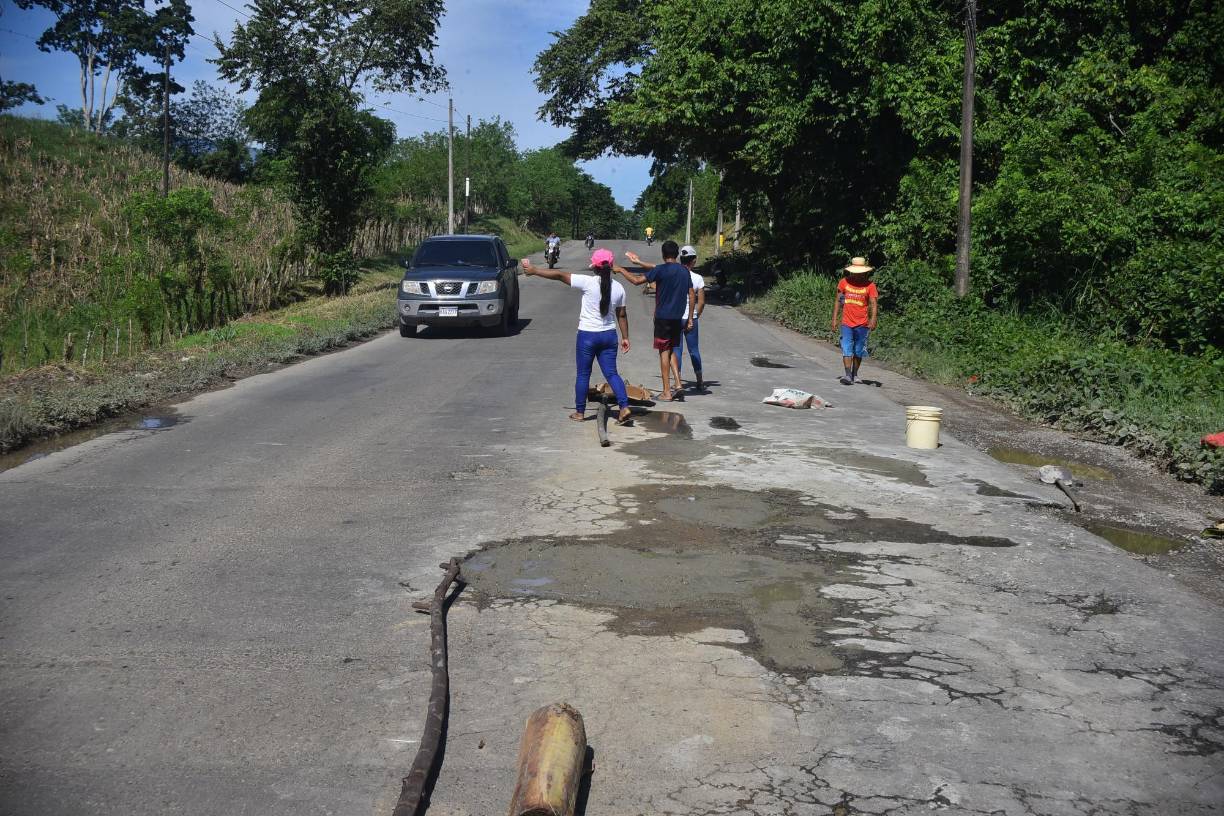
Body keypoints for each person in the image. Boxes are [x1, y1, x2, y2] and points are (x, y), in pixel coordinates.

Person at [521, 249, 633, 424]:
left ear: (595, 268)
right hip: (609, 336)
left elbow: (558, 275)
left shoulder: (587, 282)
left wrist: (535, 271)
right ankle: (624, 407)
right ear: (611, 267)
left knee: (583, 374)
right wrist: (625, 337)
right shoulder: (619, 288)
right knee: (612, 373)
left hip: (587, 336)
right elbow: (622, 315)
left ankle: (580, 412)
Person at [620, 240, 695, 402]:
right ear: (676, 255)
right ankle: (678, 384)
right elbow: (692, 294)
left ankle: (667, 392)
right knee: (673, 348)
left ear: (663, 255)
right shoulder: (684, 271)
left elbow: (636, 281)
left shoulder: (660, 270)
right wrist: (689, 318)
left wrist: (621, 270)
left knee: (663, 352)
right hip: (678, 317)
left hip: (663, 318)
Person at [830, 256, 878, 385]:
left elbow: (873, 303)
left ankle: (854, 374)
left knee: (858, 350)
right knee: (847, 348)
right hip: (846, 322)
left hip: (862, 323)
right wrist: (834, 319)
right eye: (855, 273)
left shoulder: (870, 285)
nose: (858, 276)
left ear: (865, 273)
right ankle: (847, 375)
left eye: (861, 273)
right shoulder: (844, 283)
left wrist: (873, 319)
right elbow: (838, 301)